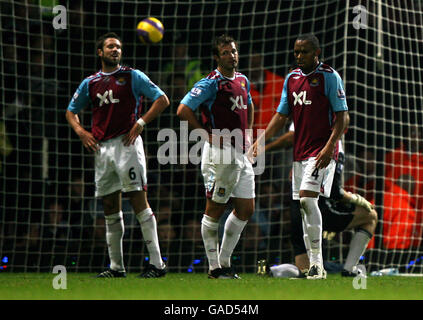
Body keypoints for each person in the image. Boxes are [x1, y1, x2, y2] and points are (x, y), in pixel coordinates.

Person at [66, 32, 170, 278]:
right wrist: (82, 132)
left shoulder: (132, 75)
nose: (116, 50)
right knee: (110, 207)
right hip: (102, 150)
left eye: (119, 47)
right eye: (111, 46)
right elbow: (71, 111)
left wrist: (141, 123)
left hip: (128, 144)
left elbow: (162, 99)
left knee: (138, 202)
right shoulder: (90, 83)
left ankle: (157, 264)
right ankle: (116, 267)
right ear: (100, 52)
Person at [251, 34, 349, 279]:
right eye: (296, 51)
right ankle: (313, 265)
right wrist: (261, 141)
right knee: (304, 208)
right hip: (299, 154)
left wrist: (329, 148)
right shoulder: (292, 79)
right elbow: (281, 115)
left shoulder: (329, 76)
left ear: (317, 52)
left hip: (321, 151)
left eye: (304, 51)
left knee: (307, 200)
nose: (299, 56)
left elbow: (342, 117)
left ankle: (317, 264)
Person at [177, 34, 255, 279]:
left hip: (241, 153)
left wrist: (250, 134)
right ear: (216, 57)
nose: (231, 56)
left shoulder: (243, 80)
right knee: (215, 209)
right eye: (225, 53)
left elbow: (249, 105)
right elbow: (182, 109)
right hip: (220, 155)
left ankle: (225, 262)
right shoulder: (210, 82)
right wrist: (205, 134)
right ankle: (214, 267)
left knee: (246, 209)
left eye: (233, 51)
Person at [259, 123, 377, 278]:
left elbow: (291, 136)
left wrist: (263, 146)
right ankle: (350, 270)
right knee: (371, 216)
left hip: (296, 213)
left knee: (305, 273)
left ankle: (274, 271)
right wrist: (357, 199)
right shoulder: (331, 147)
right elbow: (334, 191)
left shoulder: (304, 147)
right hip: (319, 213)